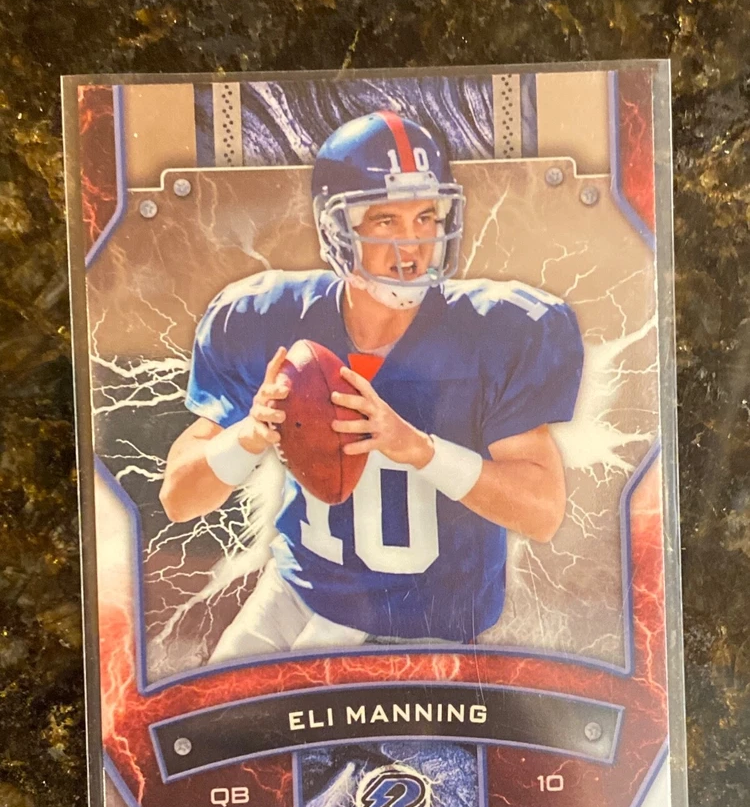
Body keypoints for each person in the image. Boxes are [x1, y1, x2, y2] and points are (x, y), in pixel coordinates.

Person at [159, 111, 584, 658]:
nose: (412, 246)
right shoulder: (265, 317)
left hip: (418, 619)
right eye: (385, 220)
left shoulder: (499, 331)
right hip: (296, 586)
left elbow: (542, 513)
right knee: (218, 701)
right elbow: (178, 499)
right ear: (336, 230)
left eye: (426, 216)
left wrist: (420, 449)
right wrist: (249, 434)